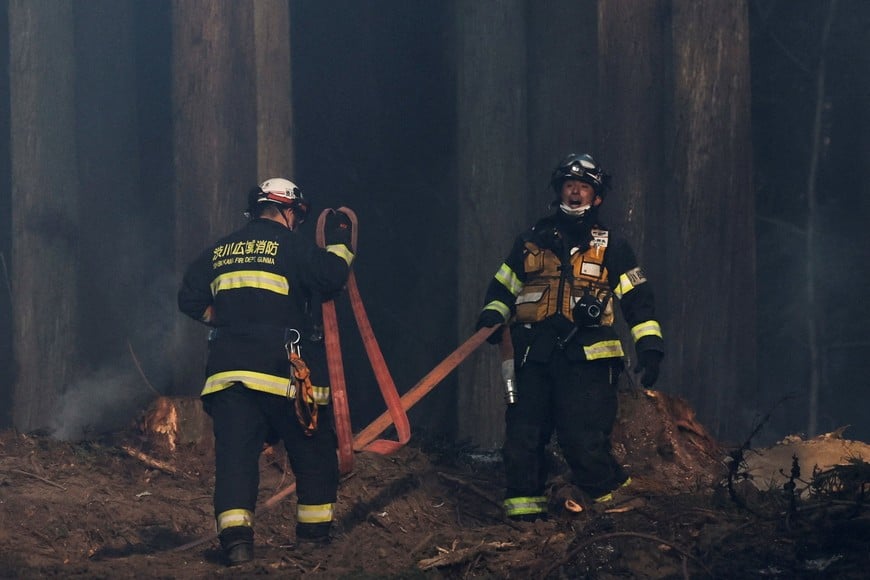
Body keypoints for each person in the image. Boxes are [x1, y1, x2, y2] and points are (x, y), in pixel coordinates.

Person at [474, 153, 664, 521]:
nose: (575, 192)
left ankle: (620, 515)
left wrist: (650, 345)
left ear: (596, 198)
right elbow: (503, 286)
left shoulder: (612, 246)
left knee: (584, 441)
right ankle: (524, 522)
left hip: (587, 358)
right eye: (569, 185)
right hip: (534, 354)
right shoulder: (531, 240)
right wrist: (492, 316)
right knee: (523, 439)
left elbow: (638, 299)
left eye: (584, 187)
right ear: (560, 190)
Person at [178, 178, 354, 565]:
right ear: (288, 211)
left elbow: (189, 298)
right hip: (282, 375)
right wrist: (342, 239)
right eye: (297, 216)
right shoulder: (290, 245)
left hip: (227, 378)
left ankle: (238, 545)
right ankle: (313, 540)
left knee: (236, 461)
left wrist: (228, 322)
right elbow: (331, 276)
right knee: (313, 452)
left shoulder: (220, 251)